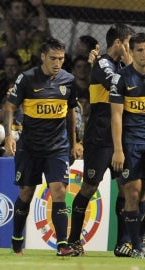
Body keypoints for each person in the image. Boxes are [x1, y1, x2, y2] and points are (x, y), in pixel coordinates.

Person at [3, 37, 78, 256]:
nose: (57, 63)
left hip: (57, 147)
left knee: (59, 191)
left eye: (61, 59)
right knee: (26, 193)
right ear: (43, 57)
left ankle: (62, 245)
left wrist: (75, 143)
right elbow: (9, 108)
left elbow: (71, 111)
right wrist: (8, 136)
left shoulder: (68, 81)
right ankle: (17, 238)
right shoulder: (26, 79)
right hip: (30, 148)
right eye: (53, 58)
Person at [68, 23, 135, 257]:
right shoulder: (103, 64)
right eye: (128, 44)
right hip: (99, 138)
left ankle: (123, 243)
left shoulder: (119, 65)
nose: (131, 49)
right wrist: (129, 65)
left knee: (126, 190)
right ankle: (73, 240)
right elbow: (118, 84)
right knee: (89, 187)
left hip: (121, 138)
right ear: (118, 43)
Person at [110, 32, 145, 259]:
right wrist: (118, 149)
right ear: (131, 52)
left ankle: (140, 239)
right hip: (132, 143)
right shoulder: (121, 78)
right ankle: (137, 247)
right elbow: (116, 116)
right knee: (132, 194)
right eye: (140, 50)